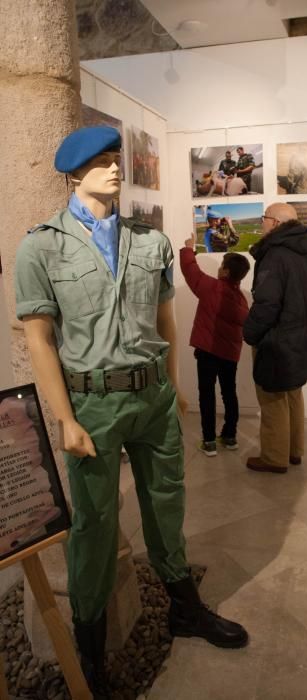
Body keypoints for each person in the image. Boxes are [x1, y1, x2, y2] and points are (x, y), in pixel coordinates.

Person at [15, 126, 248, 699]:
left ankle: (184, 610)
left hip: (153, 400)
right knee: (93, 525)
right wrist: (65, 419)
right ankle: (89, 647)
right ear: (74, 174)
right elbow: (39, 340)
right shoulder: (41, 246)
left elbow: (165, 321)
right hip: (92, 402)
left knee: (167, 506)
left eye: (117, 159)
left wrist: (172, 391)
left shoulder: (150, 242)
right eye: (101, 162)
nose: (116, 169)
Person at [243, 203, 307, 474]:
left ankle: (274, 457)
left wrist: (250, 333)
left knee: (272, 397)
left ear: (274, 223)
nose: (262, 223)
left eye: (264, 219)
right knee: (293, 392)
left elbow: (267, 303)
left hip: (279, 340)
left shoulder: (274, 254)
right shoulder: (305, 251)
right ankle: (294, 451)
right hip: (300, 339)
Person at [180, 234, 250, 456]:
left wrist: (189, 249)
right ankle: (230, 436)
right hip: (229, 354)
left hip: (208, 351)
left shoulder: (211, 288)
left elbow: (190, 272)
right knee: (230, 393)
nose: (219, 268)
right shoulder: (241, 300)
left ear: (226, 272)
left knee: (206, 394)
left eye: (221, 265)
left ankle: (209, 440)